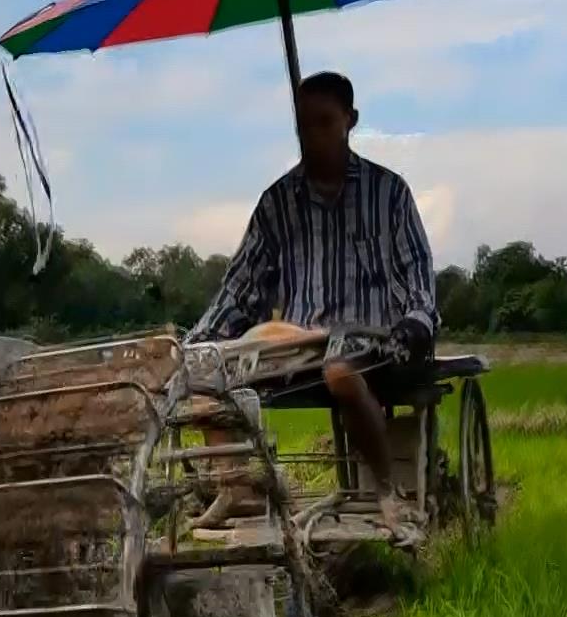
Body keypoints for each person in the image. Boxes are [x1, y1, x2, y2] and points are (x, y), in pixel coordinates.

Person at [185, 70, 438, 530]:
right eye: (304, 124)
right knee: (201, 369)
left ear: (350, 120)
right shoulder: (278, 203)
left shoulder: (389, 194)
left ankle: (386, 491)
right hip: (297, 345)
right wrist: (200, 344)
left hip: (371, 341)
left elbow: (417, 280)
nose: (314, 135)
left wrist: (415, 325)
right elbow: (241, 288)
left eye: (325, 122)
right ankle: (236, 485)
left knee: (340, 368)